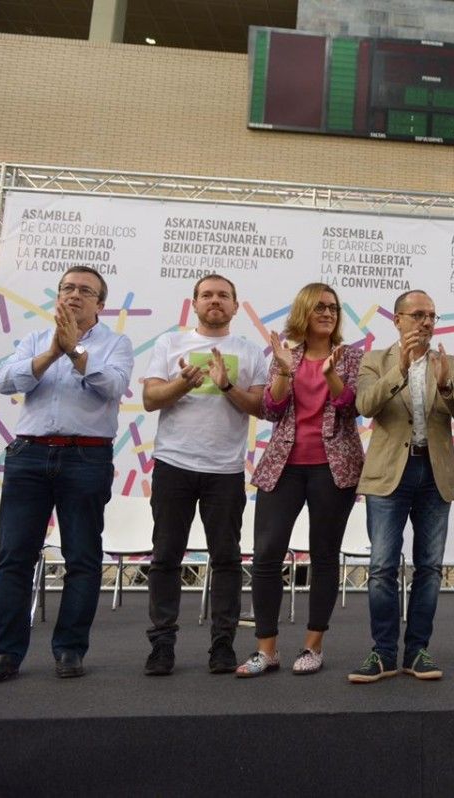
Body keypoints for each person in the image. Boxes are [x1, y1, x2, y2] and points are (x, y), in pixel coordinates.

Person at [0, 266, 133, 683]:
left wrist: (76, 354)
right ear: (57, 295)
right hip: (29, 455)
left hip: (87, 457)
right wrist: (53, 351)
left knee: (82, 557)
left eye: (86, 290)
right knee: (14, 556)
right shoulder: (31, 339)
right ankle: (6, 653)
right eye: (67, 288)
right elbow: (5, 381)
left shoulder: (117, 343)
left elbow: (114, 388)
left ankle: (69, 649)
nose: (74, 295)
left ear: (101, 304)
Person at [236, 283, 363, 677]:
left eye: (333, 307)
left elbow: (350, 407)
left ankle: (312, 647)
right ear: (304, 312)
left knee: (324, 556)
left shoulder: (351, 357)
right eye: (319, 307)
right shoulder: (284, 355)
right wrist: (285, 371)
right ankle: (266, 650)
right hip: (283, 466)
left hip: (334, 466)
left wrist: (332, 376)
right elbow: (272, 410)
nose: (327, 313)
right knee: (267, 554)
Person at [142, 274, 266, 676]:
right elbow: (149, 399)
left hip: (225, 470)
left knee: (227, 559)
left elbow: (260, 408)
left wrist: (225, 383)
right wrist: (183, 382)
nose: (216, 301)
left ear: (235, 305)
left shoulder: (248, 351)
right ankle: (162, 645)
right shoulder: (169, 343)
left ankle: (223, 646)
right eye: (207, 295)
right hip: (173, 465)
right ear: (194, 303)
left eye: (223, 296)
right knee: (165, 558)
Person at [350, 290, 454, 683]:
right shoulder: (375, 360)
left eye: (432, 316)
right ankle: (384, 652)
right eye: (418, 315)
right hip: (389, 474)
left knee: (430, 568)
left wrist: (443, 388)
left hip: (433, 474)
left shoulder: (449, 363)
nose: (426, 322)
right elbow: (365, 406)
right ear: (398, 320)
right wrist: (400, 370)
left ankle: (418, 650)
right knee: (382, 567)